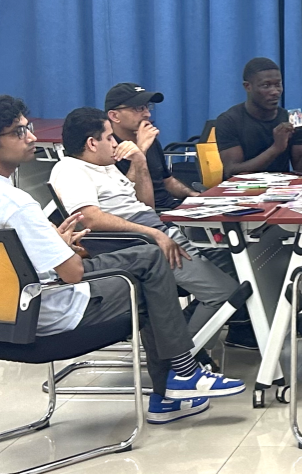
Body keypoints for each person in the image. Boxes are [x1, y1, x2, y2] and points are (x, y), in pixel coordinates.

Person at [0, 96, 244, 424]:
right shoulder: (16, 203)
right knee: (151, 269)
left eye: (28, 128)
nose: (32, 137)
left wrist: (53, 244)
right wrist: (65, 251)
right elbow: (72, 273)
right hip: (47, 313)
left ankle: (176, 385)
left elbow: (4, 257)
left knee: (151, 269)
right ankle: (178, 380)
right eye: (19, 132)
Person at [48, 108, 251, 350]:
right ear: (92, 143)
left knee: (234, 264)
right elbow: (91, 219)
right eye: (110, 137)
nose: (115, 143)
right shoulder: (71, 170)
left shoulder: (104, 164)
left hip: (157, 231)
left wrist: (140, 161)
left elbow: (146, 205)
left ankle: (176, 335)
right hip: (139, 245)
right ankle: (184, 357)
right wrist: (153, 233)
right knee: (223, 294)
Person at [215, 57, 302, 179]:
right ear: (248, 86)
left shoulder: (290, 119)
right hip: (241, 189)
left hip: (281, 188)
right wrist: (276, 148)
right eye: (266, 85)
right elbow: (232, 171)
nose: (275, 91)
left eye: (278, 84)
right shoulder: (229, 121)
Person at [105, 83, 198, 213]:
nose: (147, 114)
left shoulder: (150, 141)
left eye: (147, 107)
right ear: (114, 116)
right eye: (138, 108)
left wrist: (196, 196)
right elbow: (126, 200)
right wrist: (140, 150)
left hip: (171, 208)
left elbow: (167, 181)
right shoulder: (106, 148)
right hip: (145, 215)